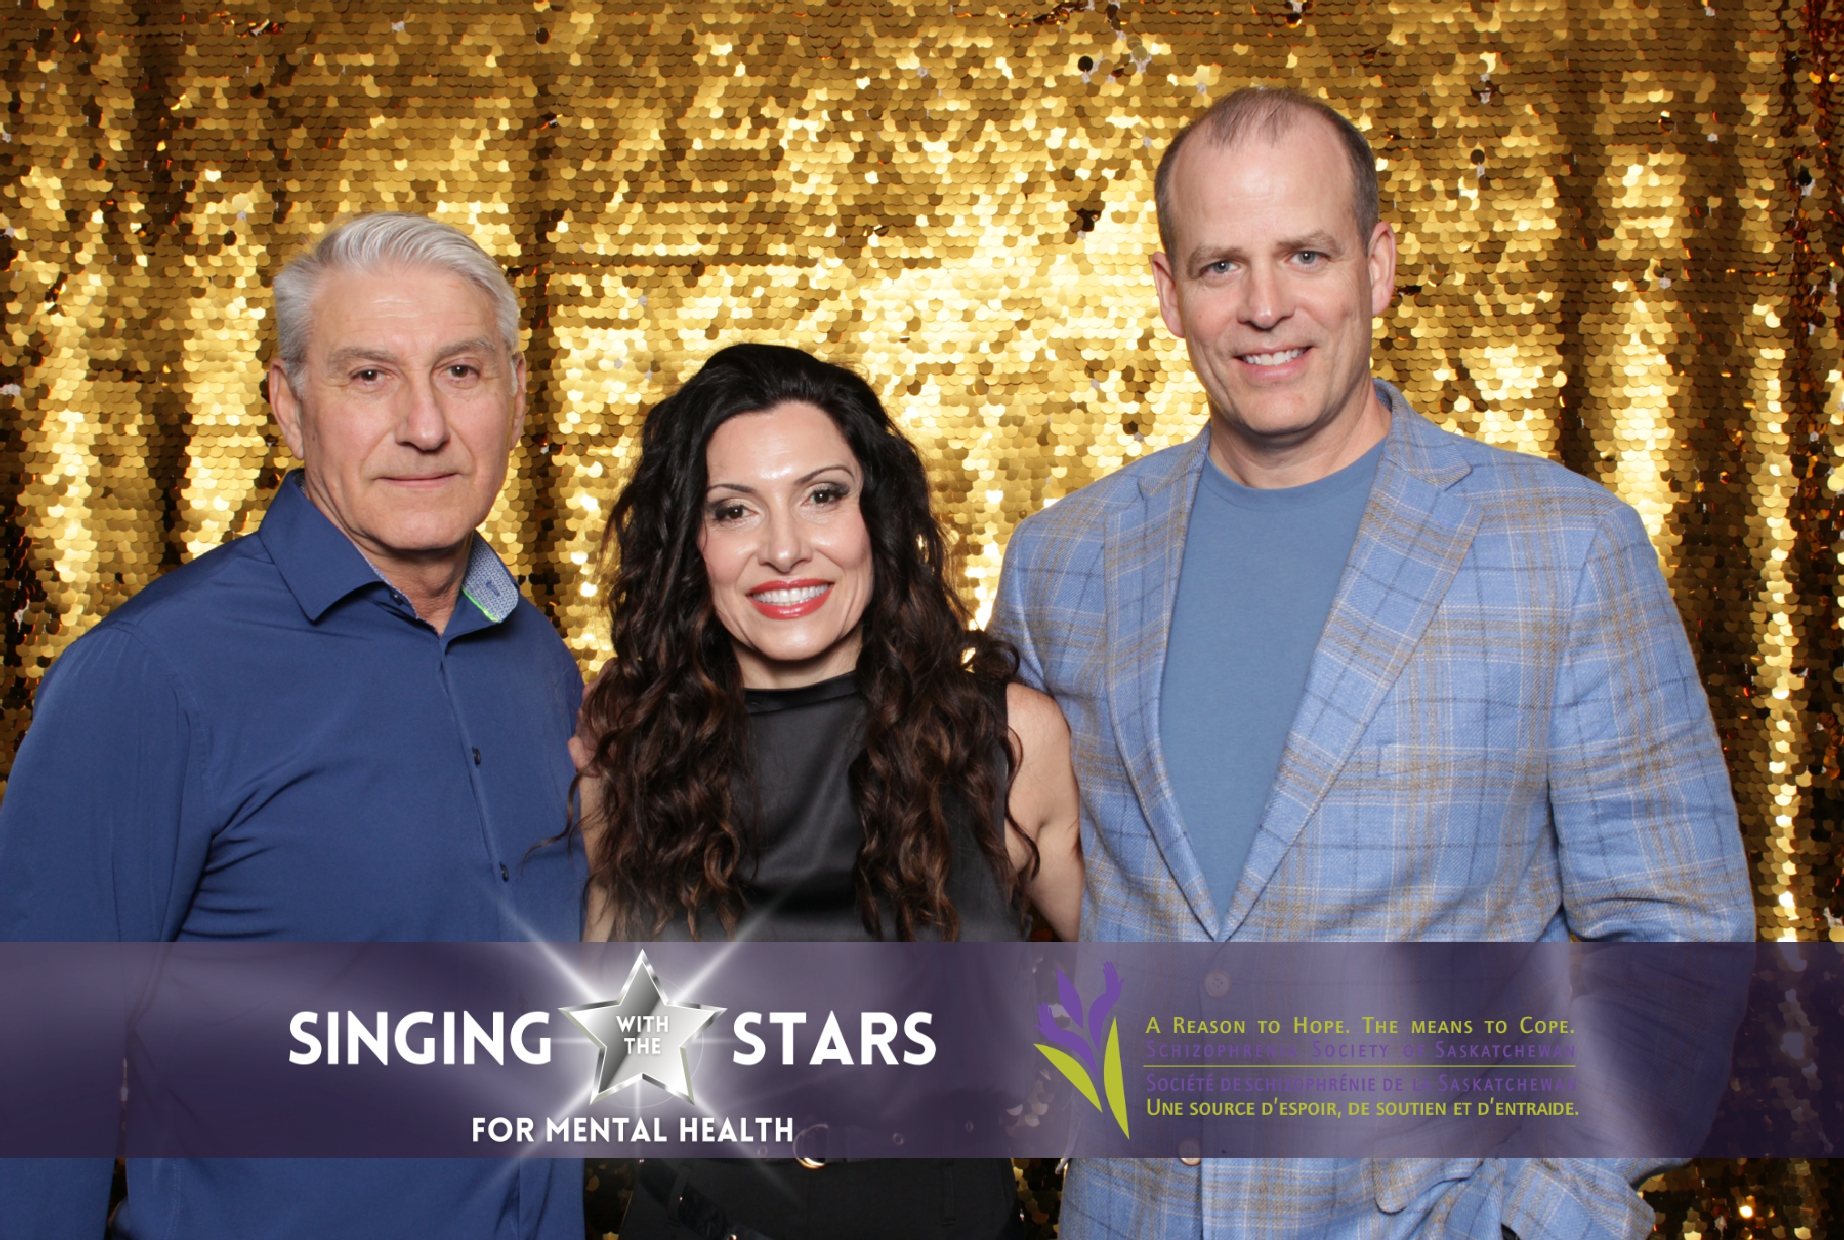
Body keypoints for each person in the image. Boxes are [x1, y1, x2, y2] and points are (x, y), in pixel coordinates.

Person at [990, 86, 1754, 1240]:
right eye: (1218, 266)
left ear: (1378, 264)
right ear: (1167, 293)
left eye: (1305, 254)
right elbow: (1021, 903)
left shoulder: (1561, 547)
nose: (1264, 306)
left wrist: (1530, 1217)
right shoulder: (1064, 561)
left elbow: (1676, 947)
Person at [0, 213, 586, 1238]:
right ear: (288, 405)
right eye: (369, 376)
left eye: (460, 371)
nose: (424, 424)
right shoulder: (151, 675)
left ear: (517, 393)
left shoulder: (536, 658)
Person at [570, 343, 1083, 1240]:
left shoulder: (1005, 738)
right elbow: (608, 1046)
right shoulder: (631, 747)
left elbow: (1127, 978)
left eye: (822, 496)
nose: (784, 549)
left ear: (874, 515)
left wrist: (1047, 1067)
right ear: (692, 545)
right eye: (734, 510)